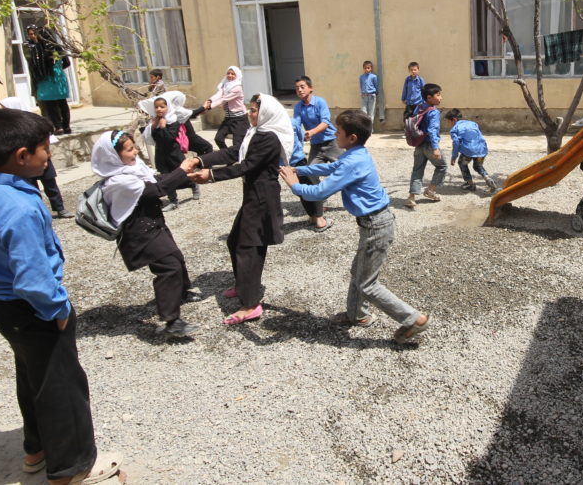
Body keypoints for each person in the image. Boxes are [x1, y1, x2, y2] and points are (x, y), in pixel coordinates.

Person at [0, 108, 122, 485]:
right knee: (62, 385)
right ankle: (73, 467)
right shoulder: (19, 207)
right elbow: (32, 276)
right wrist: (58, 309)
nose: (48, 156)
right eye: (44, 149)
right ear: (22, 156)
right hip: (32, 308)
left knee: (33, 376)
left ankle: (36, 450)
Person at [280, 110, 430, 344]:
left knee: (367, 284)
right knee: (358, 273)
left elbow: (321, 191)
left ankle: (413, 319)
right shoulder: (355, 154)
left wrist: (294, 185)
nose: (334, 133)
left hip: (376, 226)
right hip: (373, 224)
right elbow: (330, 169)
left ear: (351, 137)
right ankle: (357, 315)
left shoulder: (353, 160)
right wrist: (300, 170)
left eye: (338, 131)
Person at [183, 94, 292, 326]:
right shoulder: (255, 133)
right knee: (235, 241)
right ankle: (244, 285)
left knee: (249, 248)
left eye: (254, 110)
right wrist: (201, 161)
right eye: (250, 109)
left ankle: (251, 304)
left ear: (265, 113)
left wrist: (210, 176)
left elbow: (246, 165)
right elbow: (234, 153)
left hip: (263, 199)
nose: (250, 113)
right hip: (252, 196)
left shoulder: (269, 138)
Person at [91, 131, 201, 339]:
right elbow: (155, 190)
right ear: (113, 155)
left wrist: (186, 177)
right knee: (168, 266)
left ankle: (181, 292)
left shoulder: (133, 169)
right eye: (129, 149)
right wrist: (181, 170)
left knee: (176, 257)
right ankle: (171, 321)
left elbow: (155, 179)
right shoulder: (119, 180)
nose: (136, 151)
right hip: (140, 232)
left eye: (135, 147)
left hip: (152, 224)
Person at [0, 97, 72, 219]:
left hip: (42, 160)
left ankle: (60, 208)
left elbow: (47, 140)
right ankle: (38, 210)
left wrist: (45, 154)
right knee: (31, 187)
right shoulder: (9, 127)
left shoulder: (34, 124)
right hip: (26, 163)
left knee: (50, 186)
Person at [294, 76, 343, 231]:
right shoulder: (298, 107)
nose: (299, 90)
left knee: (346, 169)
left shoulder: (320, 102)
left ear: (310, 88)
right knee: (310, 173)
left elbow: (326, 122)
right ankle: (320, 200)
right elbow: (295, 124)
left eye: (302, 86)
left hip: (331, 143)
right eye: (297, 88)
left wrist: (312, 132)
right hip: (316, 146)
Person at [139, 92, 199, 210]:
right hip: (161, 155)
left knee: (182, 174)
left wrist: (163, 127)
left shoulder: (173, 121)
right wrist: (153, 127)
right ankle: (173, 201)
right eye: (156, 107)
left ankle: (194, 185)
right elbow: (154, 139)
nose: (159, 109)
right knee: (166, 178)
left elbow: (170, 139)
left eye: (162, 106)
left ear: (168, 107)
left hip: (174, 154)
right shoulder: (155, 122)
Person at [405, 83, 446, 209]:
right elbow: (433, 130)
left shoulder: (420, 107)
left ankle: (411, 198)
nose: (441, 98)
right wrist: (435, 148)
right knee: (442, 166)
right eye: (438, 95)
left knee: (417, 170)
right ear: (429, 97)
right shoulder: (433, 112)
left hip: (419, 144)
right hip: (429, 144)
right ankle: (431, 190)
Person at [25, 26, 72, 134]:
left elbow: (37, 65)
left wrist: (41, 74)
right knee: (62, 103)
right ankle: (66, 127)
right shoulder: (57, 47)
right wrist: (57, 69)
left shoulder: (39, 48)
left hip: (47, 79)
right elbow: (67, 62)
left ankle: (58, 126)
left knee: (51, 105)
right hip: (60, 78)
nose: (34, 36)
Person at [444, 109, 497, 193]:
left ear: (454, 119)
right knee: (478, 166)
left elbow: (456, 143)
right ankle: (487, 178)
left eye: (448, 122)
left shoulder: (454, 129)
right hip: (482, 149)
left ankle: (470, 184)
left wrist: (454, 157)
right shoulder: (473, 123)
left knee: (462, 163)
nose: (448, 124)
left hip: (468, 151)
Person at [202, 66, 249, 150]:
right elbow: (219, 95)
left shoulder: (237, 88)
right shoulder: (225, 85)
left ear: (237, 75)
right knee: (218, 139)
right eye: (228, 73)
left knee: (237, 144)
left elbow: (224, 99)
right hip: (228, 118)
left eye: (233, 74)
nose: (230, 75)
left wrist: (208, 107)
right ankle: (226, 155)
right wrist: (209, 100)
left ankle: (238, 160)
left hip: (239, 119)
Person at [358, 60, 379, 127]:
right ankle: (364, 128)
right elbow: (361, 86)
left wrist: (376, 93)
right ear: (363, 68)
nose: (367, 69)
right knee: (363, 112)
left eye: (368, 68)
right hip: (364, 96)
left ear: (371, 68)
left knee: (371, 113)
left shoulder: (374, 77)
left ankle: (370, 129)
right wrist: (362, 93)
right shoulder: (361, 77)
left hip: (372, 96)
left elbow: (376, 85)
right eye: (365, 68)